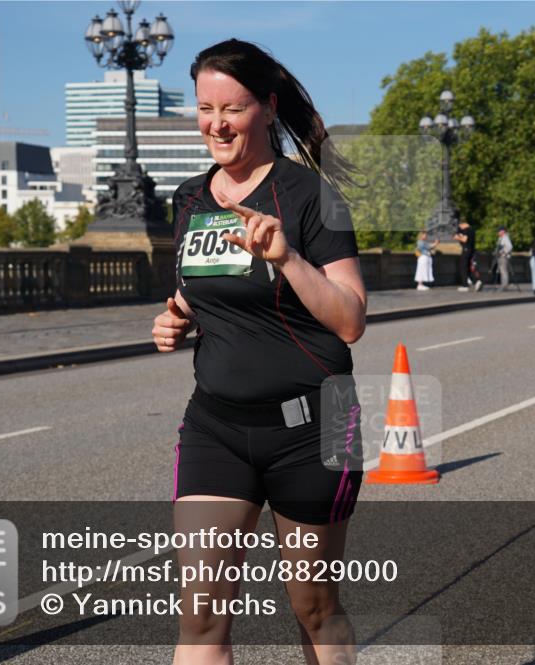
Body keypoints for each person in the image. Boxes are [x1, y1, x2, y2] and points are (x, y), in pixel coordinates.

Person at [151, 39, 366, 665]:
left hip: (316, 426)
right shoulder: (189, 199)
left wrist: (288, 258)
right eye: (205, 109)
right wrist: (174, 318)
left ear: (268, 109)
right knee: (200, 616)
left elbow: (351, 321)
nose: (216, 124)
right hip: (216, 426)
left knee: (314, 606)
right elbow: (204, 293)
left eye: (233, 108)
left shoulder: (311, 196)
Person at [454, 219, 482, 292]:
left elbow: (465, 239)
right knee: (471, 267)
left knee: (463, 267)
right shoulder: (472, 229)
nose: (460, 228)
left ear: (463, 224)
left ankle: (465, 285)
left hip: (466, 250)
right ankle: (476, 281)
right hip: (472, 251)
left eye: (460, 226)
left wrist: (458, 237)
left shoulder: (466, 230)